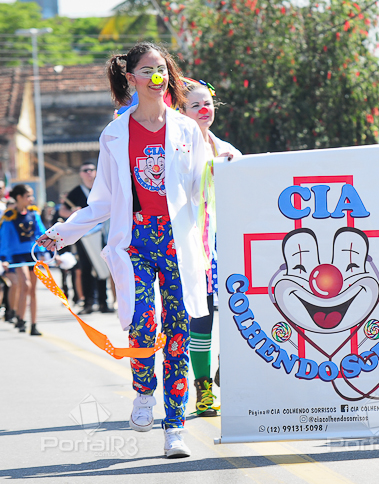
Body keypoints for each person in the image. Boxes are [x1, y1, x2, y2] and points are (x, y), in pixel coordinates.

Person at [37, 41, 209, 459]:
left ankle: (175, 427)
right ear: (131, 78)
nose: (157, 77)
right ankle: (144, 392)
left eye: (162, 69)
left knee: (179, 332)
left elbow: (203, 188)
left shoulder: (186, 130)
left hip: (176, 241)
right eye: (147, 70)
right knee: (143, 324)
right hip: (135, 240)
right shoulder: (115, 134)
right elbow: (103, 201)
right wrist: (60, 234)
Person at [180, 78, 240, 417]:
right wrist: (213, 169)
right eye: (195, 105)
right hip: (194, 244)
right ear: (182, 112)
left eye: (208, 104)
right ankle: (202, 388)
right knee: (201, 318)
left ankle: (227, 365)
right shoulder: (179, 150)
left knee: (237, 312)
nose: (204, 110)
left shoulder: (227, 148)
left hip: (228, 245)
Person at [62, 163, 112, 314]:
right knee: (85, 268)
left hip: (102, 234)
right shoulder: (76, 192)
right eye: (85, 170)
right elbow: (62, 210)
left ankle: (103, 302)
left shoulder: (102, 188)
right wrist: (73, 213)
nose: (89, 172)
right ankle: (88, 303)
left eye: (91, 170)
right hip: (83, 236)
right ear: (80, 174)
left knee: (102, 267)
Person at [0, 184, 47, 336]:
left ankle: (33, 324)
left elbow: (41, 232)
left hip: (32, 254)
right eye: (28, 196)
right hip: (17, 256)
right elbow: (5, 238)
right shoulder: (9, 216)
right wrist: (4, 258)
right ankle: (19, 317)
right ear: (19, 197)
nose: (31, 199)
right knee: (25, 285)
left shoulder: (33, 213)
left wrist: (46, 250)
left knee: (32, 290)